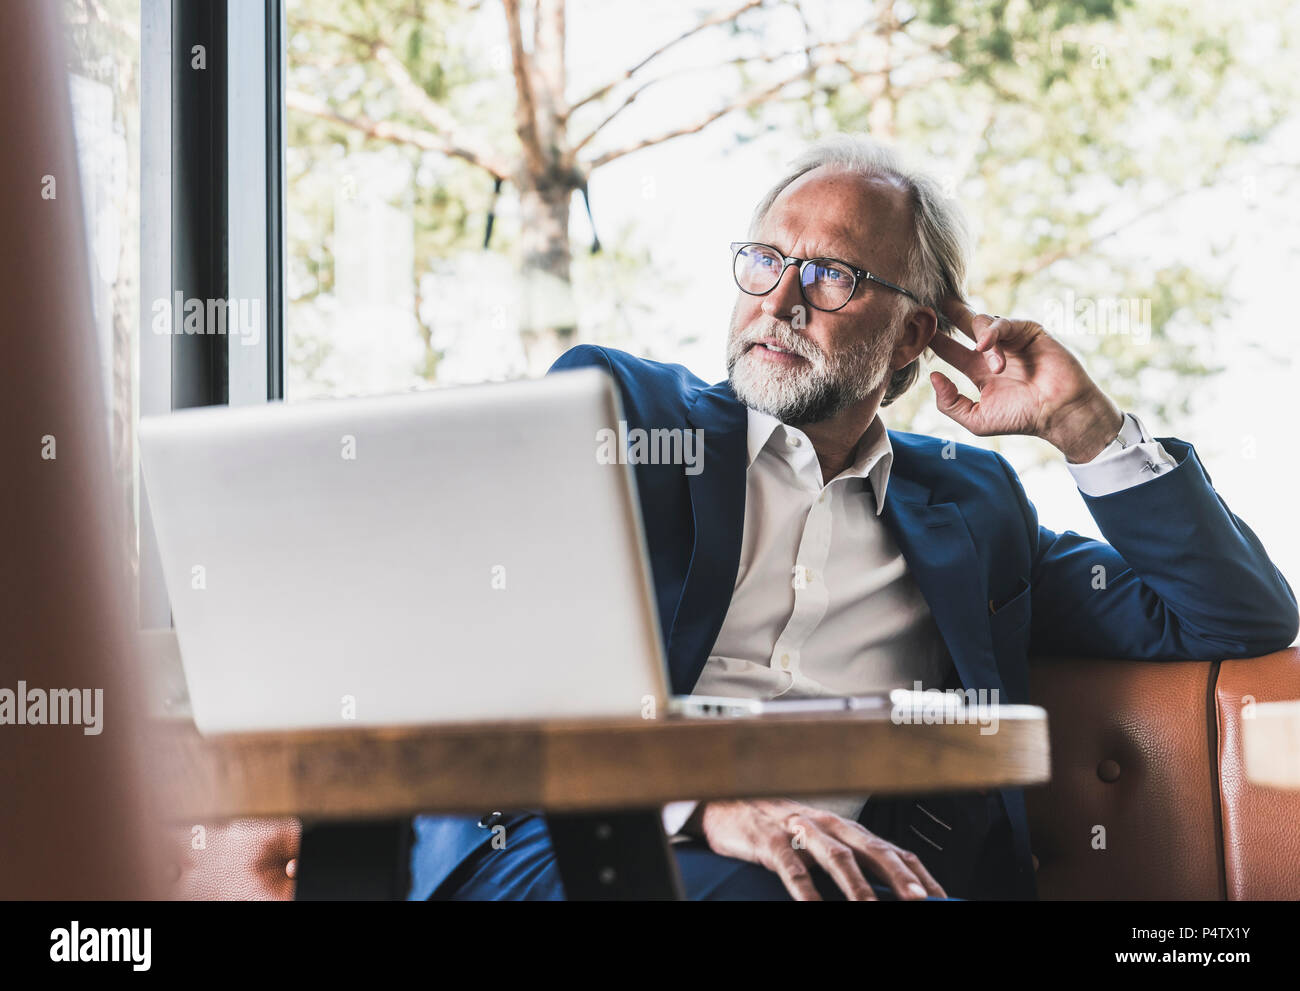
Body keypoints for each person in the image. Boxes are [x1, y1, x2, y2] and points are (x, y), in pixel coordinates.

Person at [409, 134, 1298, 901]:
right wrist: (711, 806)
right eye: (764, 259)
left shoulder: (971, 508)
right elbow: (495, 657)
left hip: (835, 877)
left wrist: (1085, 429)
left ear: (914, 336)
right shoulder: (622, 411)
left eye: (832, 273)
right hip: (571, 843)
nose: (780, 299)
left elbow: (1234, 615)